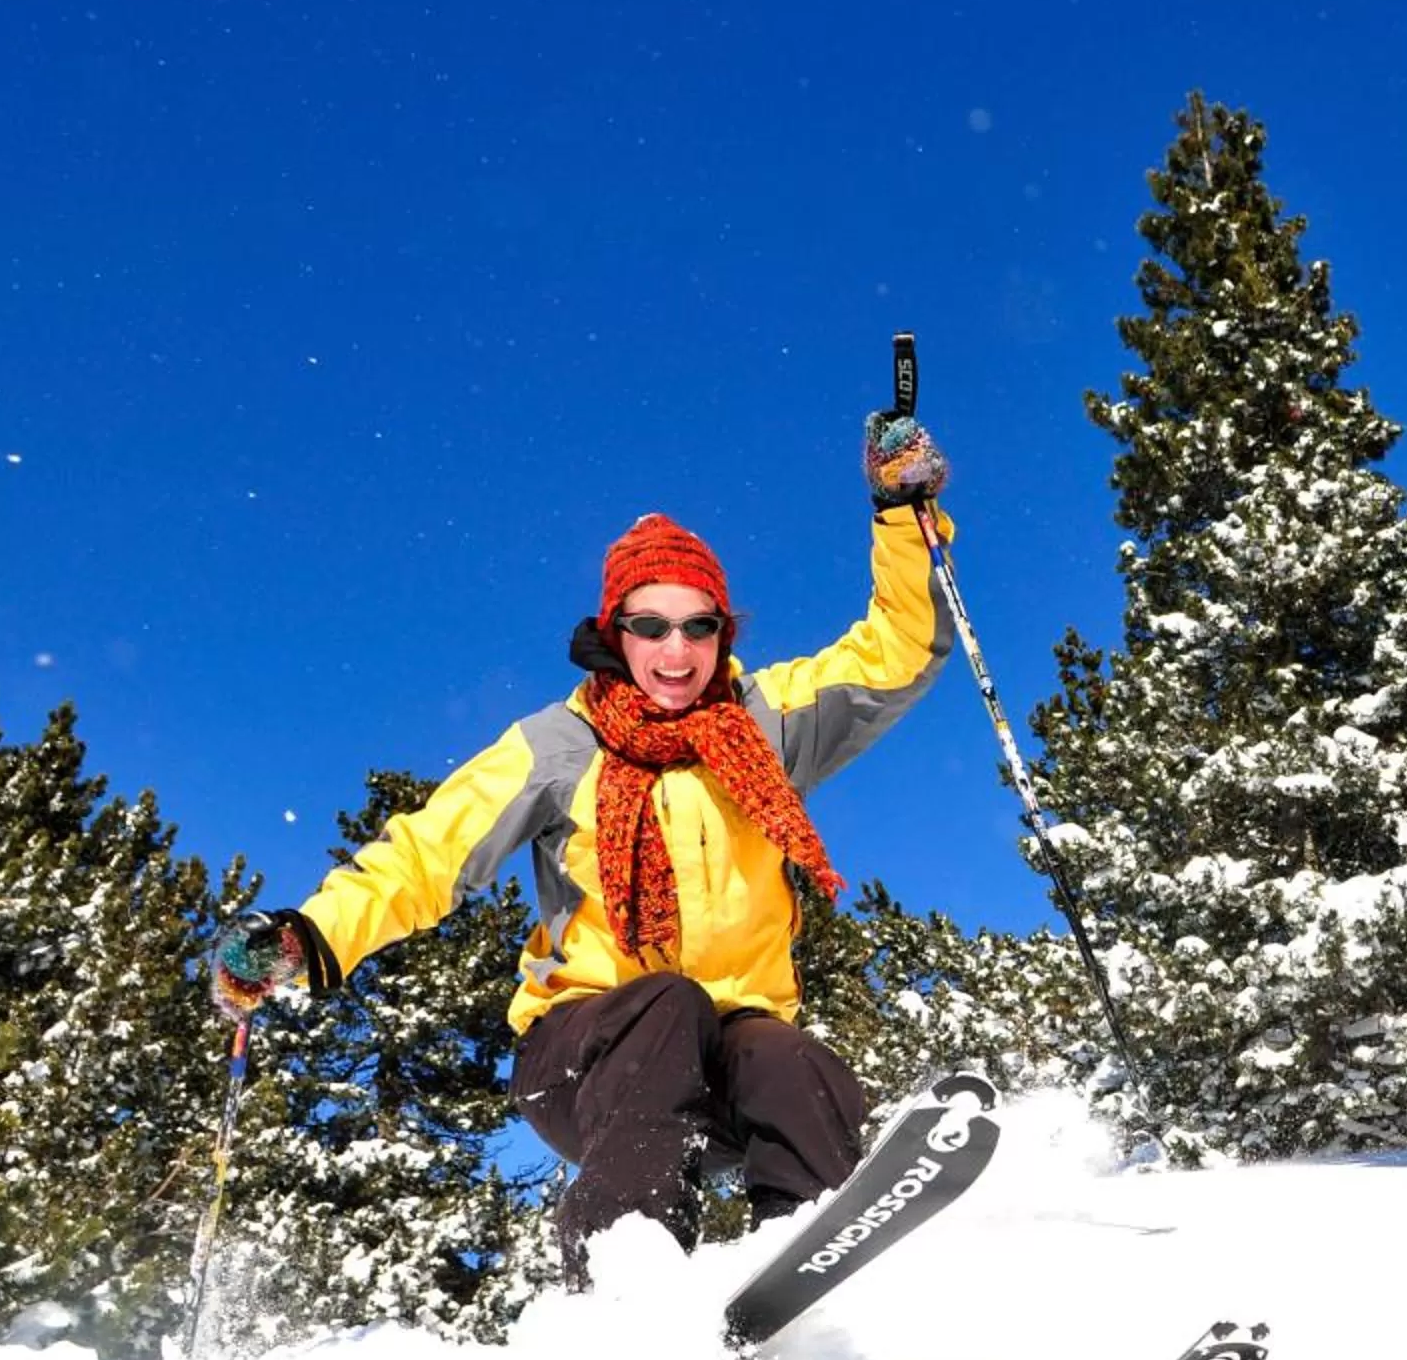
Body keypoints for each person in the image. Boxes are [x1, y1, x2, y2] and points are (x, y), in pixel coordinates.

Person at [210, 414, 957, 1276]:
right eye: (650, 627)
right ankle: (622, 1277)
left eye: (698, 626)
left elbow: (899, 649)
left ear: (724, 634)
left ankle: (810, 1258)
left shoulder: (768, 721)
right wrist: (306, 935)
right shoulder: (556, 748)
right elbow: (423, 855)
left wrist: (903, 516)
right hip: (582, 1059)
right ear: (615, 634)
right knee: (666, 1003)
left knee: (789, 1057)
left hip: (725, 1064)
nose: (676, 650)